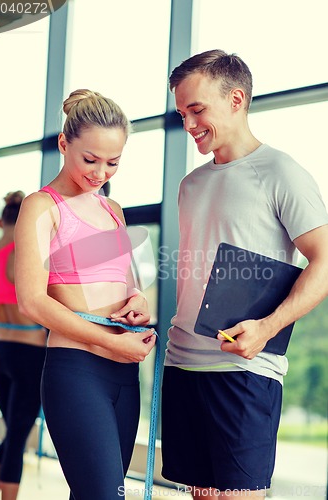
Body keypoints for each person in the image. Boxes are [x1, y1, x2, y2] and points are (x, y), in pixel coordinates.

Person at [161, 49, 328, 499]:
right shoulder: (190, 185)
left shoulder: (282, 173)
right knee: (200, 495)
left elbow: (325, 262)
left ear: (236, 99)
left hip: (245, 369)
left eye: (197, 110)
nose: (189, 124)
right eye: (182, 113)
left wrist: (268, 327)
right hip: (182, 364)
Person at [14, 89, 156, 500]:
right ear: (63, 144)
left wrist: (138, 302)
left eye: (113, 163)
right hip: (77, 371)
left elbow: (130, 281)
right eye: (89, 159)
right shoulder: (42, 207)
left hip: (125, 375)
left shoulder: (114, 211)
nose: (100, 173)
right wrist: (109, 339)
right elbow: (33, 300)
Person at [0, 191, 47, 500]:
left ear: (0, 220)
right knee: (17, 434)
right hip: (29, 351)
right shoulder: (24, 250)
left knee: (13, 431)